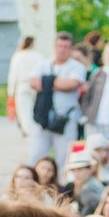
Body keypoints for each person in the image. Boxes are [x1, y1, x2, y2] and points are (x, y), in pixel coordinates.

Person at [29, 31, 89, 165]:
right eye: (59, 46)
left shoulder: (77, 67)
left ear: (70, 48)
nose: (62, 50)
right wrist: (57, 83)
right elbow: (33, 82)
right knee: (37, 154)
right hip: (43, 115)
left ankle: (63, 185)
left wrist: (46, 82)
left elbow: (72, 84)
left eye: (65, 47)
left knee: (64, 156)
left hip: (65, 117)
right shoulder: (43, 64)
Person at [7, 34, 42, 132]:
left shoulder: (18, 56)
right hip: (36, 85)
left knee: (24, 111)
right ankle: (35, 130)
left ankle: (29, 131)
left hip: (22, 85)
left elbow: (13, 75)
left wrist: (11, 92)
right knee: (35, 109)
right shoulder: (38, 56)